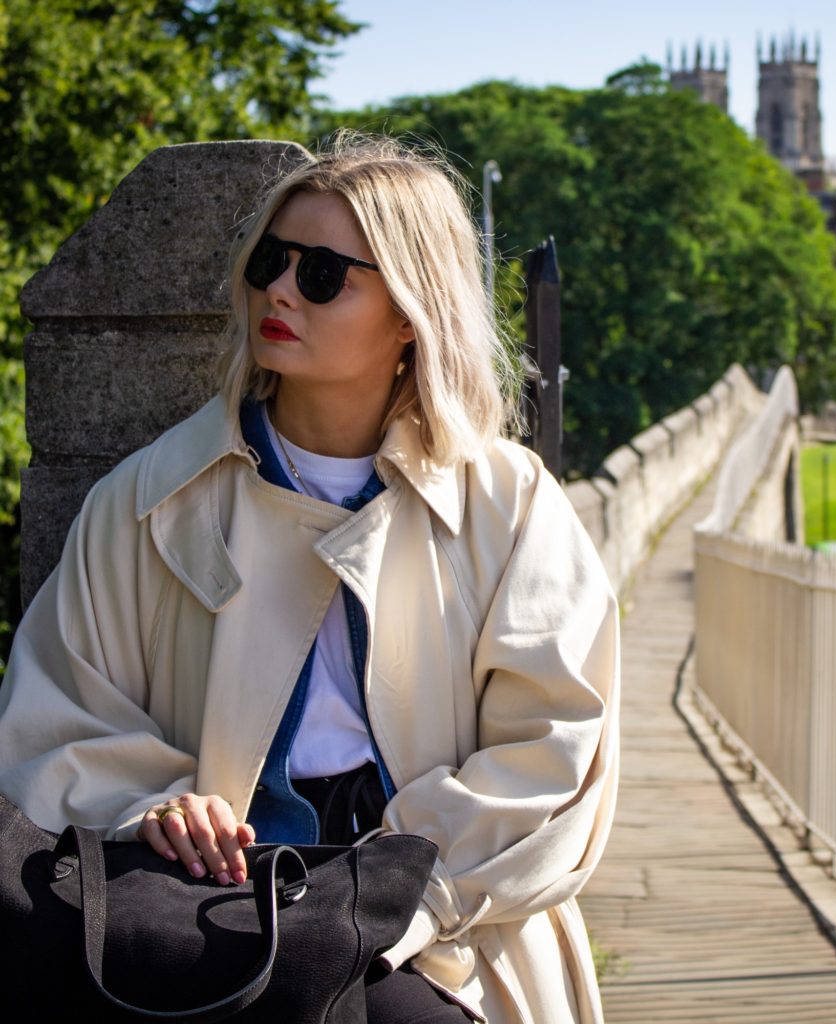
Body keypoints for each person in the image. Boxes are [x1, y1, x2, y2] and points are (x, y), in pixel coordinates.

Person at [0, 133, 620, 1023]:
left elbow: (553, 752)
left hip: (431, 920)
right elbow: (53, 719)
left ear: (411, 311)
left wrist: (404, 890)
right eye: (269, 261)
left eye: (324, 274)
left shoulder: (512, 506)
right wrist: (155, 808)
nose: (279, 291)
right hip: (197, 898)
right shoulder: (147, 498)